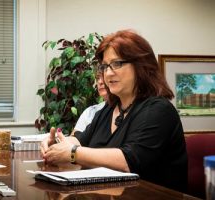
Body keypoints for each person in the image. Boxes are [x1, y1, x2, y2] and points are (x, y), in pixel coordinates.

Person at [41, 29, 188, 193]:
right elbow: (80, 140)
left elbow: (129, 160)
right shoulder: (108, 110)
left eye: (117, 64)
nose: (108, 73)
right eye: (105, 66)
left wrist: (73, 153)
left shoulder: (158, 110)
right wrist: (58, 145)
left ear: (141, 66)